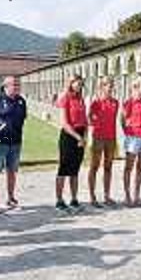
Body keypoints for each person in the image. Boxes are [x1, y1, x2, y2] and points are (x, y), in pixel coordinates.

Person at [0, 76, 27, 213]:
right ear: (5, 86)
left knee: (12, 171)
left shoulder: (21, 101)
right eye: (13, 84)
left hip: (15, 142)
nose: (16, 87)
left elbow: (22, 119)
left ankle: (10, 198)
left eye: (18, 84)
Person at [55, 74, 87, 212]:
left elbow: (85, 121)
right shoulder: (65, 98)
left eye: (80, 84)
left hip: (80, 135)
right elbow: (64, 123)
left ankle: (74, 199)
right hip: (68, 136)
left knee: (75, 170)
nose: (79, 86)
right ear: (71, 83)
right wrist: (78, 137)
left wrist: (84, 137)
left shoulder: (80, 99)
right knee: (63, 169)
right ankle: (59, 200)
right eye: (76, 83)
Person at [87, 76, 119, 208]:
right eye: (107, 85)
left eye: (111, 85)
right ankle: (92, 196)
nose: (110, 87)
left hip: (111, 138)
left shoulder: (115, 103)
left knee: (108, 167)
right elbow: (89, 119)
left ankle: (106, 196)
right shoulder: (96, 103)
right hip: (98, 138)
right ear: (101, 87)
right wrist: (96, 123)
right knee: (94, 166)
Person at [122, 76, 141, 207]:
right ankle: (127, 196)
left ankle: (137, 196)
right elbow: (122, 119)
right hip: (133, 136)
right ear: (135, 87)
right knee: (129, 167)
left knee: (140, 167)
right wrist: (127, 132)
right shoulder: (128, 102)